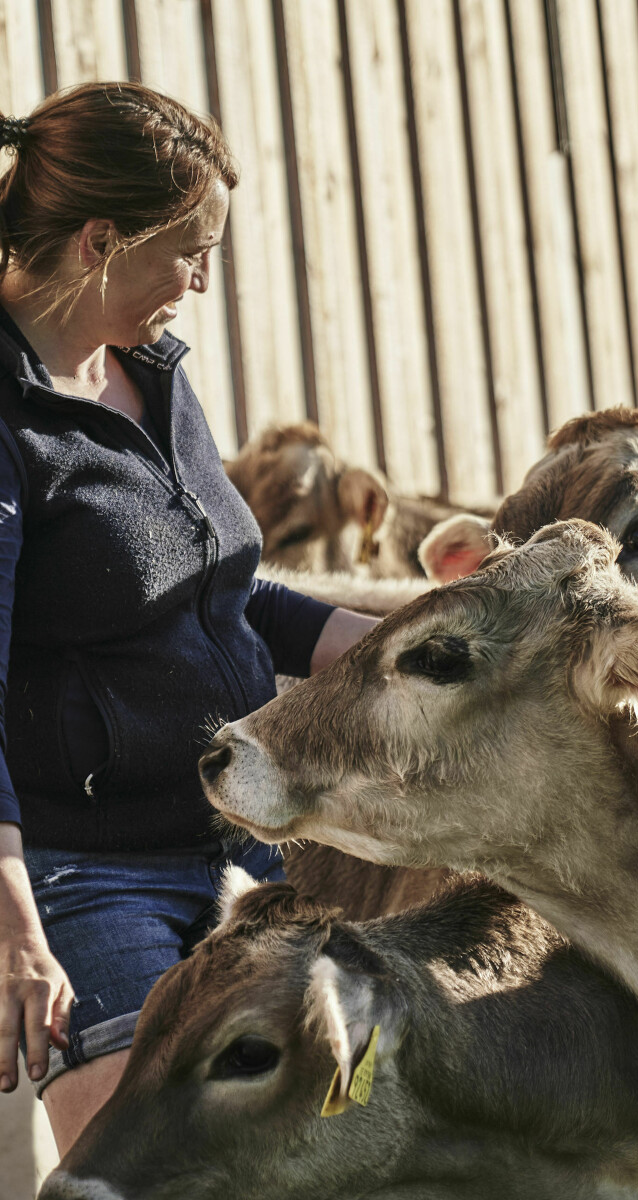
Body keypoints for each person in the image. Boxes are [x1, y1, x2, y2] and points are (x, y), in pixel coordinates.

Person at [0, 81, 376, 1156]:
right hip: (86, 872)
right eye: (190, 250)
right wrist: (14, 929)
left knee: (372, 1121)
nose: (203, 281)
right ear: (101, 240)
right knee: (158, 1170)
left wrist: (414, 642)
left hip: (254, 827)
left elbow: (230, 592)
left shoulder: (153, 376)